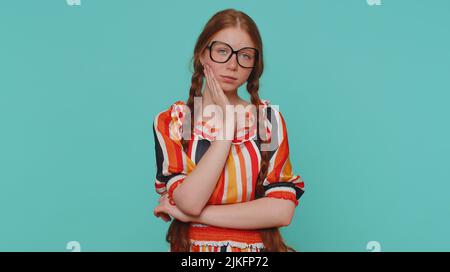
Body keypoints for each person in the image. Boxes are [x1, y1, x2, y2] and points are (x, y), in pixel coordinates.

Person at [152, 8, 305, 252]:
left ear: (254, 64)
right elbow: (190, 202)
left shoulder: (268, 120)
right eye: (222, 51)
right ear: (203, 54)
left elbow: (282, 211)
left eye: (245, 56)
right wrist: (226, 130)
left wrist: (196, 216)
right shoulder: (175, 121)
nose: (233, 65)